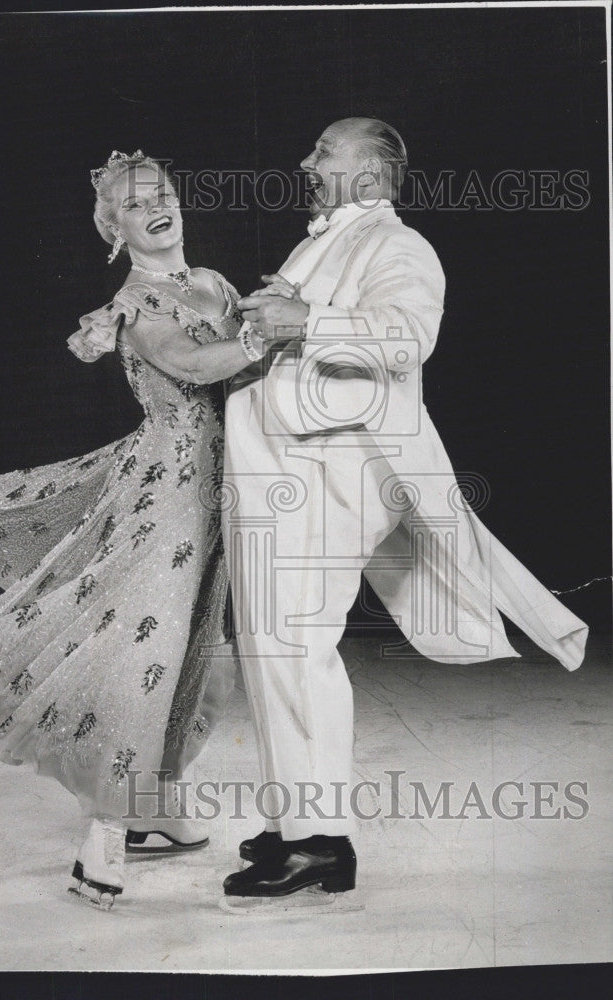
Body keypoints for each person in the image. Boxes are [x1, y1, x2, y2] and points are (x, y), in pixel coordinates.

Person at [220, 118, 588, 906]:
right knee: (274, 645)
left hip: (329, 473)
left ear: (373, 172)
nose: (305, 162)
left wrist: (306, 320)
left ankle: (319, 841)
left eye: (323, 153)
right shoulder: (323, 242)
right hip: (284, 474)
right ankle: (297, 820)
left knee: (292, 642)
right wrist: (286, 309)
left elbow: (406, 339)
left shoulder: (399, 246)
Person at [0, 149, 268, 909]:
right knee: (140, 650)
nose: (157, 206)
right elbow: (197, 363)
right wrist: (262, 338)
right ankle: (102, 837)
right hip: (168, 496)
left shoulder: (212, 285)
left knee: (201, 654)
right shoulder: (133, 306)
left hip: (224, 493)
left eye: (165, 192)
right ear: (113, 229)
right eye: (135, 202)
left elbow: (244, 375)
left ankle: (153, 803)